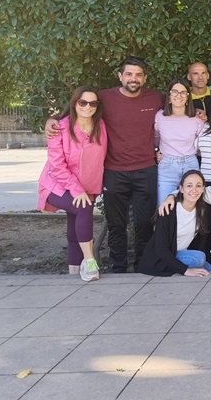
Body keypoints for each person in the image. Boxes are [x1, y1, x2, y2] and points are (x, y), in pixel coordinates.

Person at [47, 56, 164, 273]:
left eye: (138, 75)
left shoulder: (156, 98)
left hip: (146, 169)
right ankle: (119, 268)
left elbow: (178, 109)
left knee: (144, 223)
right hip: (114, 172)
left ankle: (143, 266)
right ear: (120, 76)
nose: (133, 79)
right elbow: (77, 107)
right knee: (116, 224)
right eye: (128, 74)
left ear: (145, 78)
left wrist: (198, 113)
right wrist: (52, 119)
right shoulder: (104, 98)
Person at [38, 86, 107, 281]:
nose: (87, 107)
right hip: (56, 185)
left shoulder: (101, 126)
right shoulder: (59, 128)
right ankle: (90, 261)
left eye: (93, 103)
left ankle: (74, 272)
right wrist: (77, 190)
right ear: (75, 103)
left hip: (85, 188)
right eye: (82, 102)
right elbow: (57, 166)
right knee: (83, 208)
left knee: (75, 223)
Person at [137, 170, 211, 276]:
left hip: (182, 254)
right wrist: (185, 270)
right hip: (161, 258)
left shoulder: (203, 211)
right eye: (189, 186)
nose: (194, 190)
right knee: (199, 258)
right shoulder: (168, 210)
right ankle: (177, 268)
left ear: (203, 189)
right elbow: (161, 249)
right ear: (181, 189)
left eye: (198, 186)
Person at [154, 79, 205, 204]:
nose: (179, 96)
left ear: (188, 97)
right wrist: (155, 152)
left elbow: (202, 145)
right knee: (164, 206)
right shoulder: (160, 116)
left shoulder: (197, 119)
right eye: (175, 92)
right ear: (169, 96)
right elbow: (155, 139)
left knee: (191, 205)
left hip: (190, 164)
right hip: (167, 166)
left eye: (183, 92)